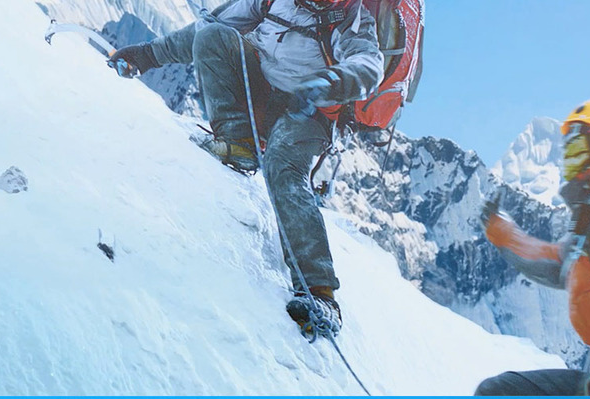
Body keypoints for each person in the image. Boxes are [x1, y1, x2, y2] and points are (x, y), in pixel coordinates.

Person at [109, 0, 384, 339]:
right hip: (260, 95)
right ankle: (237, 142)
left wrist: (328, 82)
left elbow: (369, 66)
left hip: (308, 115)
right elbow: (207, 31)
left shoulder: (352, 17)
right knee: (213, 37)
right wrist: (147, 55)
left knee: (283, 168)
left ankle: (319, 293)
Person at [476, 98, 590, 396]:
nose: (572, 161)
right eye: (569, 152)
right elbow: (558, 263)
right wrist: (504, 234)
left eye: (581, 149)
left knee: (503, 395)